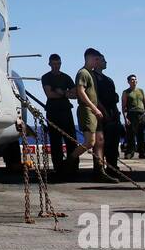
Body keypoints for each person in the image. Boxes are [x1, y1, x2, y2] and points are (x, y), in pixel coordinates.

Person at [75, 48, 113, 181]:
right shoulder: (83, 73)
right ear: (89, 58)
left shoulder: (91, 74)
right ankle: (68, 163)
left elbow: (94, 96)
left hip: (95, 110)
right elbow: (81, 92)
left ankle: (99, 170)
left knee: (100, 141)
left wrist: (101, 109)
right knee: (89, 142)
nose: (98, 61)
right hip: (87, 110)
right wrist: (94, 109)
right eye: (96, 59)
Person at [39, 54, 77, 178]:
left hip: (66, 111)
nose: (56, 66)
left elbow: (75, 94)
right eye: (54, 64)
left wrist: (63, 93)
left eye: (58, 64)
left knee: (71, 140)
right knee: (55, 142)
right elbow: (49, 94)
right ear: (49, 64)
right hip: (53, 111)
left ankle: (73, 166)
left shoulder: (66, 77)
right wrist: (65, 93)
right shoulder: (46, 77)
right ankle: (59, 168)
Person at [93, 56, 124, 172]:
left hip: (112, 112)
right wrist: (103, 112)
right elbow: (94, 97)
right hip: (101, 113)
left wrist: (115, 114)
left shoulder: (109, 80)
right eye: (103, 60)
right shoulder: (93, 78)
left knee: (113, 142)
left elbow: (114, 97)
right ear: (96, 62)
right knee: (101, 143)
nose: (105, 62)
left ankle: (113, 166)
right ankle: (99, 168)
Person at [121, 74, 145, 159]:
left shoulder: (141, 91)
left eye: (135, 79)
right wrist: (125, 118)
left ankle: (142, 153)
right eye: (132, 80)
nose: (134, 81)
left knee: (142, 135)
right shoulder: (126, 92)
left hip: (141, 114)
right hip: (131, 114)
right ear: (128, 82)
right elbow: (124, 106)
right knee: (130, 135)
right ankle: (130, 152)